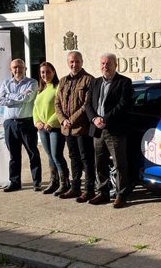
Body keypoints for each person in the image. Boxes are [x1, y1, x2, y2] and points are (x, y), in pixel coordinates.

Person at [85, 53, 134, 208]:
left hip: (114, 129)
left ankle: (121, 194)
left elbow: (123, 105)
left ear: (115, 65)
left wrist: (104, 118)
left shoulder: (124, 82)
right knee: (99, 162)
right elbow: (87, 105)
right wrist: (94, 119)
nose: (105, 66)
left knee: (119, 163)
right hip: (97, 129)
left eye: (108, 64)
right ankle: (103, 192)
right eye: (102, 63)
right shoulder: (95, 82)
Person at [54, 51, 96, 203]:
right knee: (73, 157)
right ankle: (75, 187)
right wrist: (63, 120)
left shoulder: (89, 80)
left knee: (86, 158)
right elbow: (57, 102)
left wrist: (71, 119)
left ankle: (89, 190)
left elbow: (87, 104)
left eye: (77, 61)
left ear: (82, 62)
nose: (74, 64)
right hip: (67, 128)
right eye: (72, 62)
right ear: (68, 63)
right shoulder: (63, 81)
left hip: (82, 128)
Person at [0, 58, 42, 192]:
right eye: (15, 67)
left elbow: (27, 98)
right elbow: (0, 100)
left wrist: (9, 96)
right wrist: (18, 96)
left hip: (26, 123)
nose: (18, 70)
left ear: (25, 69)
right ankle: (15, 182)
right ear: (11, 69)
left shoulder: (32, 82)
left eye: (20, 67)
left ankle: (36, 182)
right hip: (10, 124)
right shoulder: (5, 82)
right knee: (14, 155)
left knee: (33, 153)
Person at [33, 61, 70, 195]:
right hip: (42, 128)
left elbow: (61, 108)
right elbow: (35, 108)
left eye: (48, 71)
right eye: (43, 72)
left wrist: (50, 121)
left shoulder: (58, 87)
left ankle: (65, 182)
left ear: (53, 72)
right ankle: (53, 182)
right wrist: (37, 121)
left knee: (56, 154)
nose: (45, 74)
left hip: (54, 127)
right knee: (49, 155)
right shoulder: (40, 89)